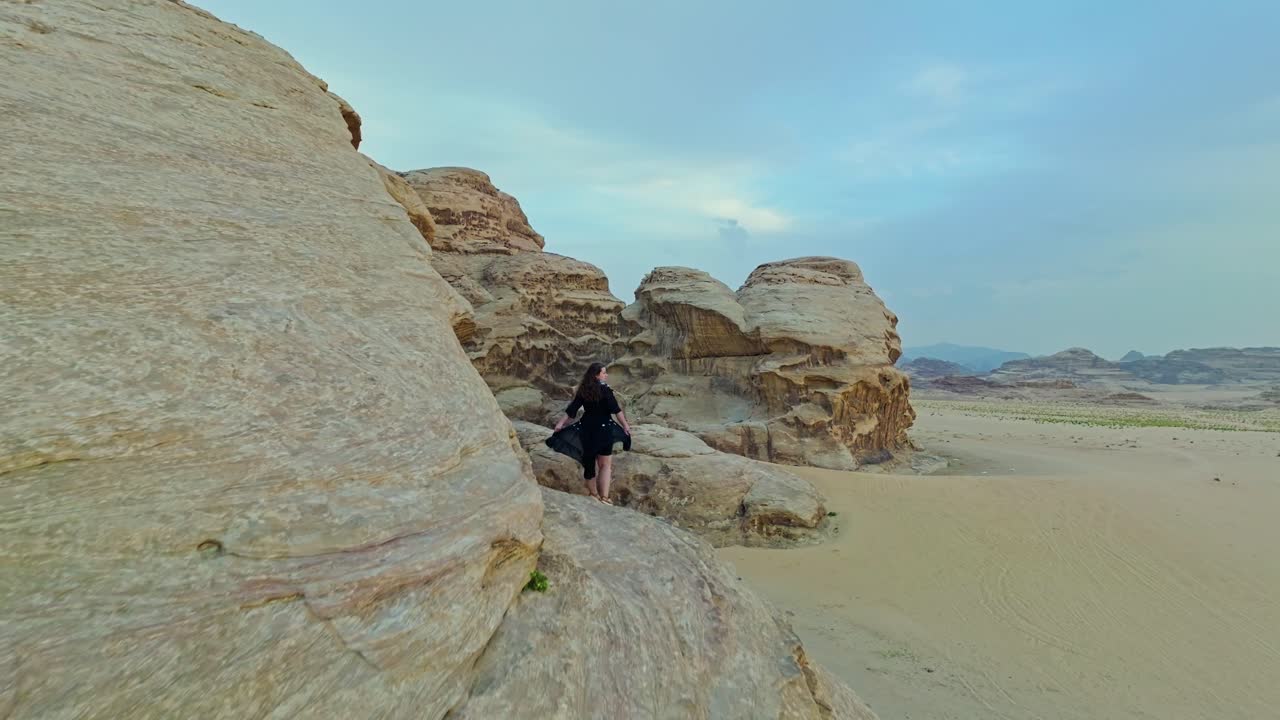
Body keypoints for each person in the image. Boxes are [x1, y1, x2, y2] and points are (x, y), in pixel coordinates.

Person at [550, 362, 631, 504]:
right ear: (596, 375)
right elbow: (616, 410)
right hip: (605, 430)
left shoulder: (583, 390)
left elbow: (572, 410)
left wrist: (560, 424)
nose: (606, 375)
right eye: (604, 373)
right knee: (605, 465)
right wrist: (625, 426)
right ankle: (604, 498)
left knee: (589, 464)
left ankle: (594, 495)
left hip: (586, 429)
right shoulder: (606, 390)